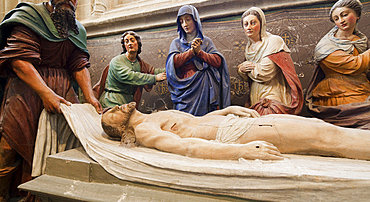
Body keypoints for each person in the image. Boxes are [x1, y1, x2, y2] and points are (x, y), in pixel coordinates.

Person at [0, 0, 102, 200]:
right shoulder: (29, 15)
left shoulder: (77, 28)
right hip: (28, 90)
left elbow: (78, 64)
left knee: (62, 149)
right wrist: (45, 93)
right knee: (9, 148)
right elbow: (19, 60)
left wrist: (90, 97)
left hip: (64, 92)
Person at [102, 102, 370, 161]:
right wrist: (241, 150)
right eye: (112, 111)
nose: (117, 106)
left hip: (235, 124)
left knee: (319, 127)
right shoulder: (146, 130)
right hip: (237, 136)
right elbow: (188, 147)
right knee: (325, 138)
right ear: (119, 127)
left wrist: (225, 110)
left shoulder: (155, 114)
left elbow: (196, 121)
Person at [306, 0, 370, 129]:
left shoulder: (360, 40)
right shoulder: (326, 46)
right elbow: (354, 65)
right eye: (336, 18)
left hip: (363, 89)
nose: (341, 20)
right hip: (338, 93)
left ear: (357, 15)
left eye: (344, 15)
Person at [166, 5, 230, 116]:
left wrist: (200, 53)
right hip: (184, 87)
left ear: (195, 20)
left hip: (203, 85)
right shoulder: (176, 43)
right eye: (181, 21)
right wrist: (191, 52)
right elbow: (173, 63)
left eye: (188, 20)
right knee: (183, 119)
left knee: (205, 118)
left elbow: (218, 61)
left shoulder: (205, 41)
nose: (185, 24)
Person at [237, 7, 303, 115]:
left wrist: (245, 68)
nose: (249, 27)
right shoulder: (248, 48)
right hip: (256, 93)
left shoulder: (274, 41)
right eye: (246, 24)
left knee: (273, 124)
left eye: (253, 23)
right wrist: (241, 70)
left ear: (261, 24)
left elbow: (265, 72)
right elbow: (248, 78)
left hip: (273, 91)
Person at [97, 31, 166, 108]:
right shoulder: (117, 61)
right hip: (112, 102)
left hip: (128, 102)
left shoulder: (139, 63)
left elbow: (153, 71)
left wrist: (171, 68)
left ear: (138, 43)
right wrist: (155, 78)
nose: (129, 43)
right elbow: (129, 76)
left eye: (132, 40)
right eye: (126, 41)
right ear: (124, 46)